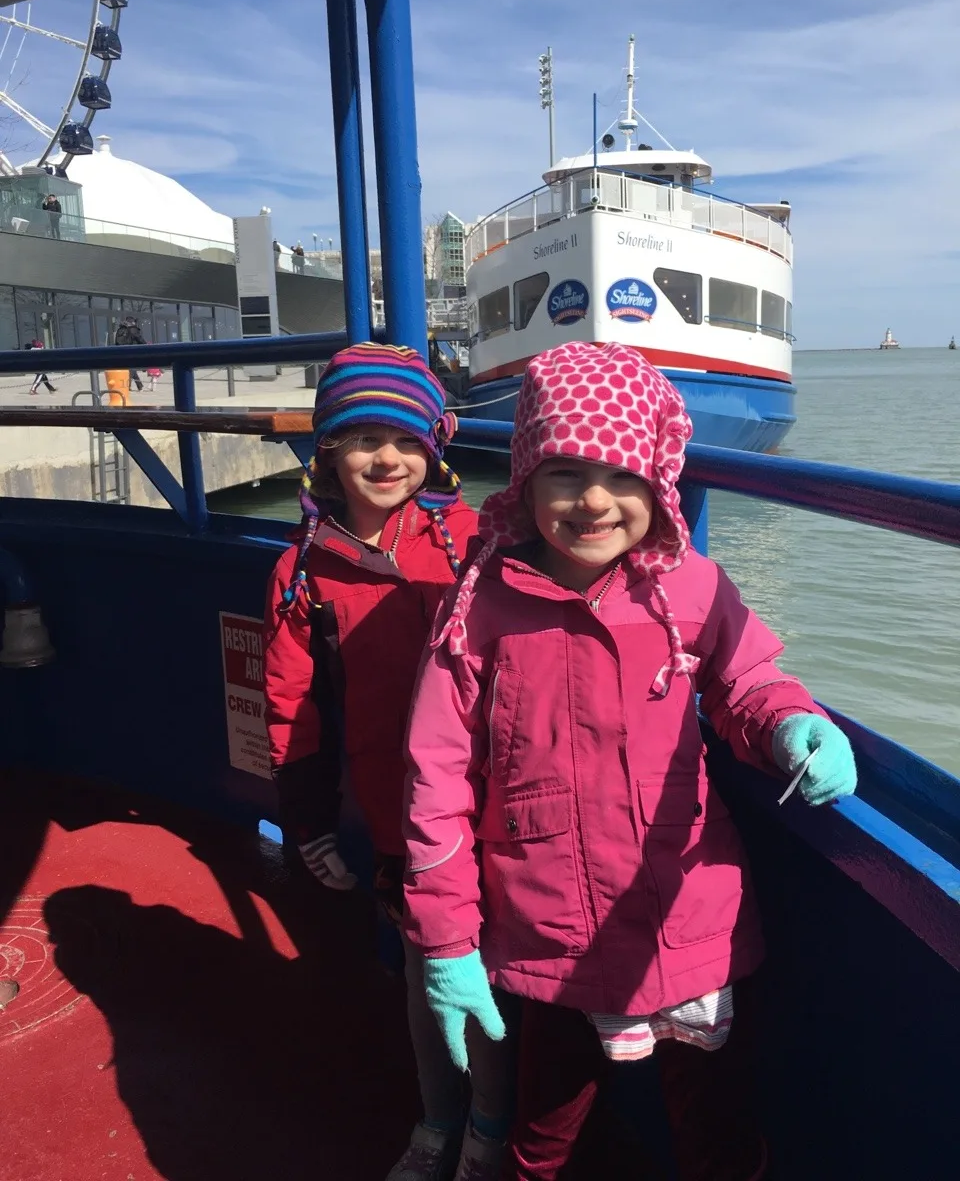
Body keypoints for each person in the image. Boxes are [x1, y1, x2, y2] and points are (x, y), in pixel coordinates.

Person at [401, 341, 859, 1181]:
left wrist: (795, 724)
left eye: (623, 478)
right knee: (544, 1137)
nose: (594, 502)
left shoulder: (691, 587)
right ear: (526, 477)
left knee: (716, 1124)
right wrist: (446, 941)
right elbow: (435, 779)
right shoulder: (478, 610)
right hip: (549, 936)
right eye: (565, 473)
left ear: (659, 481)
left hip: (690, 921)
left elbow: (747, 681)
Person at [263, 341, 516, 1181]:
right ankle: (439, 1122)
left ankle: (490, 1129)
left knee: (499, 982)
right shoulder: (300, 570)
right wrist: (306, 822)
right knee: (425, 975)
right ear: (327, 446)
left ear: (435, 449)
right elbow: (292, 703)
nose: (388, 458)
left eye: (408, 441)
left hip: (497, 805)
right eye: (365, 437)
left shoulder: (474, 544)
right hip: (394, 811)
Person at [115, 317, 146, 391]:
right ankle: (127, 386)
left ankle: (139, 385)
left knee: (132, 369)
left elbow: (117, 342)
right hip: (131, 352)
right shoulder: (133, 329)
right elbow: (140, 340)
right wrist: (146, 347)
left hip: (121, 352)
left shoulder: (120, 330)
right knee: (131, 369)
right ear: (132, 322)